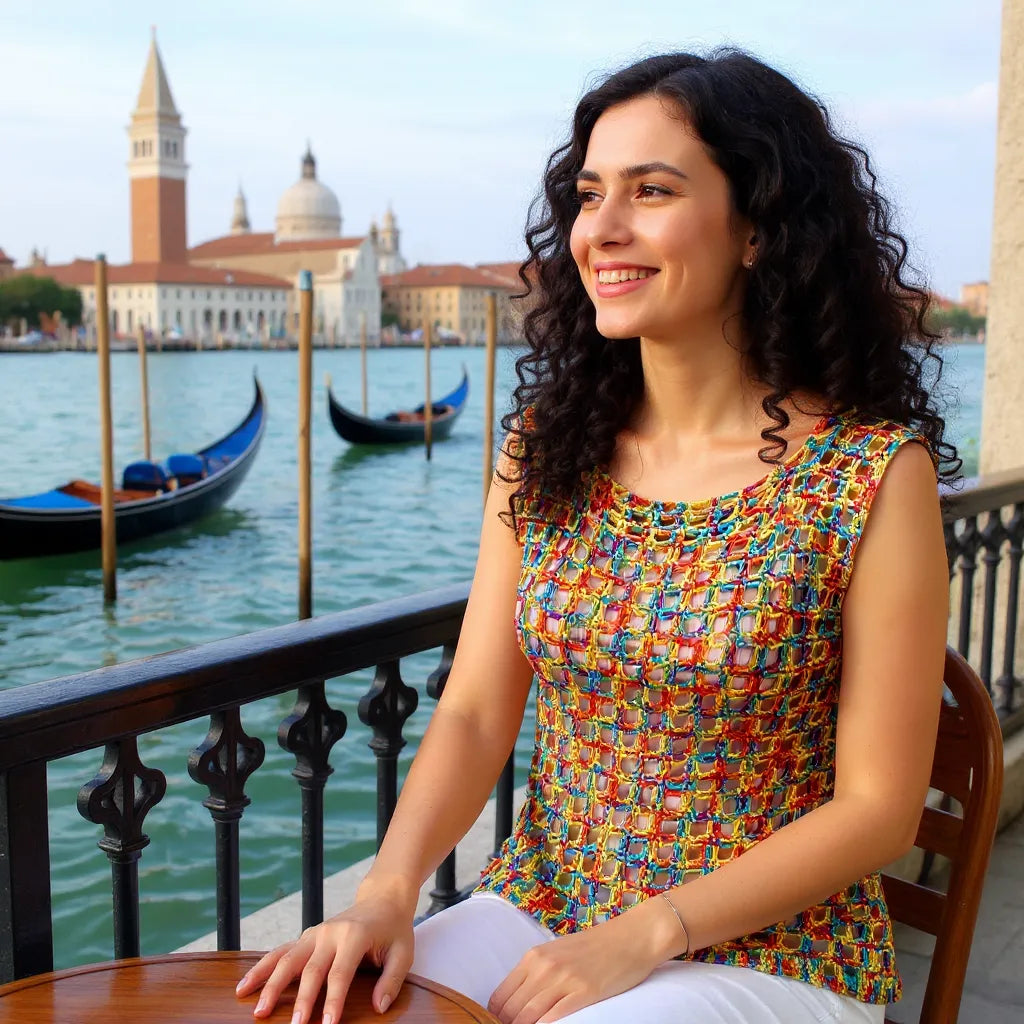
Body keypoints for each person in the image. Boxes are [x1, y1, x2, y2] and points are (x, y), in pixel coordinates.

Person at [236, 48, 957, 1024]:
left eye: (650, 190)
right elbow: (476, 711)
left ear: (759, 227)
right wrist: (386, 892)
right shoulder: (547, 448)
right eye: (588, 194)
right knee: (327, 1008)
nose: (601, 230)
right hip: (550, 910)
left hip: (779, 951)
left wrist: (648, 931)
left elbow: (879, 810)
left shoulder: (869, 475)